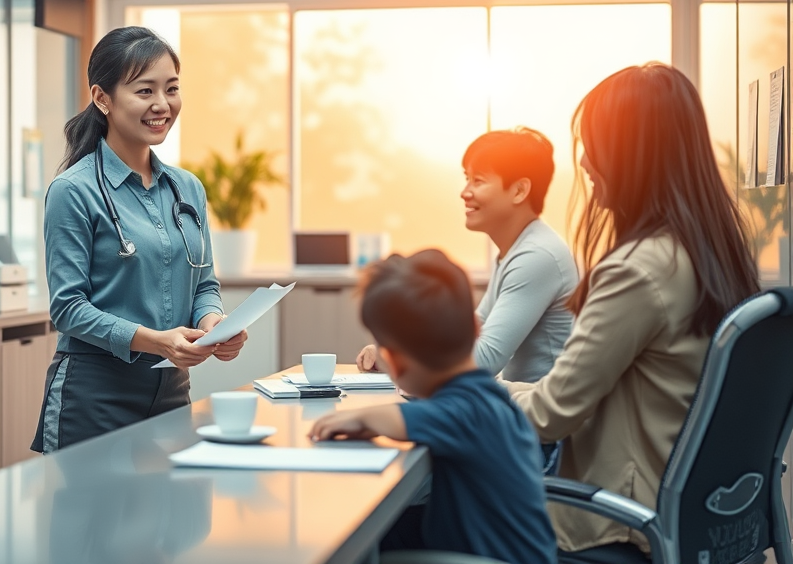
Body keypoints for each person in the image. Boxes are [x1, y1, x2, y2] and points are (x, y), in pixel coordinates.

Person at [504, 64, 759, 561]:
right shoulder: (710, 253)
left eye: (595, 144)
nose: (584, 160)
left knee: (408, 525)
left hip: (620, 526)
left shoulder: (637, 271)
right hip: (696, 521)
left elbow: (549, 416)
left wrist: (455, 396)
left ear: (631, 155)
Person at [32, 26, 247, 453]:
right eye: (144, 90)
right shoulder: (74, 191)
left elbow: (204, 284)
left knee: (174, 517)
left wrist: (213, 325)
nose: (162, 105)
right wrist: (156, 340)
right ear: (102, 98)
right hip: (94, 394)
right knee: (93, 519)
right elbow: (68, 309)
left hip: (170, 389)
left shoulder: (188, 188)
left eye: (171, 89)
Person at [310, 249, 557, 564]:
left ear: (395, 364)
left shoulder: (467, 410)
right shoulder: (491, 400)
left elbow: (406, 418)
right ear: (475, 328)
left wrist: (360, 417)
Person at [358, 127, 576, 384]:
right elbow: (471, 334)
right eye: (467, 178)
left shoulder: (538, 256)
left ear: (519, 191)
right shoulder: (516, 249)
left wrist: (399, 358)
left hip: (539, 417)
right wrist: (397, 352)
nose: (465, 192)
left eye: (478, 181)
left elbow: (484, 360)